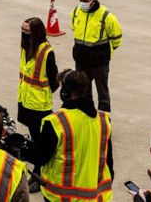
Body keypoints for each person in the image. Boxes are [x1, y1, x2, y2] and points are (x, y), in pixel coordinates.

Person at [35, 69, 113, 202]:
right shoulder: (104, 120)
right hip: (96, 197)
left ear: (65, 92)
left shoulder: (56, 122)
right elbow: (108, 161)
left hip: (62, 198)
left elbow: (41, 158)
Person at [18, 17, 59, 192]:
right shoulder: (26, 48)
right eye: (23, 30)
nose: (24, 34)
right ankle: (38, 171)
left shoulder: (46, 52)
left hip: (39, 106)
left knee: (40, 143)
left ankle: (38, 174)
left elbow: (54, 81)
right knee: (35, 139)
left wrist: (40, 93)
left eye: (28, 31)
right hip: (26, 101)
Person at [69, 0, 122, 112]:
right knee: (84, 92)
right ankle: (88, 117)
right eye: (80, 0)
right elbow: (74, 29)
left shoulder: (106, 16)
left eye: (85, 1)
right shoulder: (76, 12)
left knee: (102, 93)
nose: (82, 3)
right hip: (81, 61)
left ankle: (105, 124)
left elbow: (117, 37)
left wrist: (103, 53)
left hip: (99, 63)